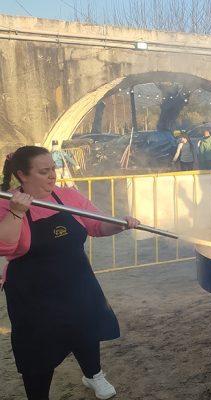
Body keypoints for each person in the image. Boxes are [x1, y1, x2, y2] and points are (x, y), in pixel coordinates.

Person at [0, 146, 140, 400]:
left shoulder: (69, 196)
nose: (52, 176)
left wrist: (120, 224)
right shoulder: (5, 202)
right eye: (44, 172)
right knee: (37, 350)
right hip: (32, 292)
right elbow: (4, 245)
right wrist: (16, 212)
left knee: (85, 329)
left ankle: (93, 374)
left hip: (76, 280)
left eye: (53, 169)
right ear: (22, 174)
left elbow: (96, 225)